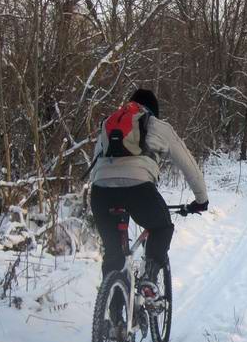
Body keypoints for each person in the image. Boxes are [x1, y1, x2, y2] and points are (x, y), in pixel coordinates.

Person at [89, 89, 208, 304]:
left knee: (114, 254)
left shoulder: (109, 123)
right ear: (153, 110)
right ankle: (149, 279)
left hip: (100, 192)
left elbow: (96, 160)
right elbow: (188, 164)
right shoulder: (157, 126)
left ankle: (113, 321)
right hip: (138, 189)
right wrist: (201, 199)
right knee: (161, 227)